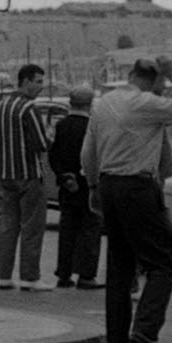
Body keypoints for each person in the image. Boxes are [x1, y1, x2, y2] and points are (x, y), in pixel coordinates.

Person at [81, 56, 172, 343]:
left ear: (131, 74)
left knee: (120, 265)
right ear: (154, 81)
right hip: (138, 187)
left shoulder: (103, 103)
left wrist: (94, 186)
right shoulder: (146, 103)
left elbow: (88, 151)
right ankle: (146, 328)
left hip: (109, 186)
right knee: (161, 263)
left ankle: (118, 342)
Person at [0, 64, 53, 291]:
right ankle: (30, 277)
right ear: (25, 81)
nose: (41, 86)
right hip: (29, 174)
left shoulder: (1, 106)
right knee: (32, 227)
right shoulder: (28, 108)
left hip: (6, 174)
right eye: (38, 81)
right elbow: (41, 143)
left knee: (8, 226)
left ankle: (4, 276)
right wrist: (49, 135)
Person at [49, 85, 103, 290]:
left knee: (67, 228)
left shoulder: (61, 126)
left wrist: (64, 177)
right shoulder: (92, 127)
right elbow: (93, 156)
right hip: (87, 184)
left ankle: (64, 273)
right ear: (89, 105)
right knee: (90, 228)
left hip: (67, 185)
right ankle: (86, 274)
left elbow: (53, 155)